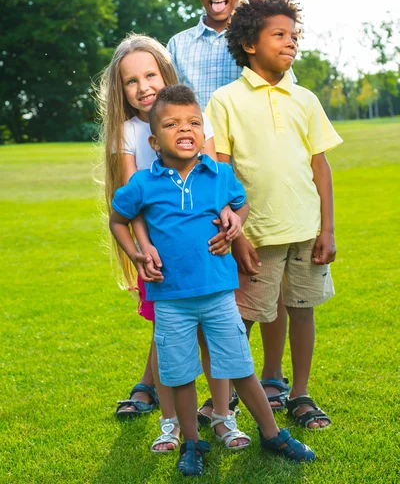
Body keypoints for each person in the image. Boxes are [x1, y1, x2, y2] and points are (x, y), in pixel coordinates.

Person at [109, 85, 316, 476]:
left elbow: (241, 205)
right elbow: (118, 218)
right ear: (154, 140)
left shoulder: (219, 174)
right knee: (180, 374)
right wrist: (137, 252)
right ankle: (192, 442)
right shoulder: (142, 184)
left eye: (193, 123)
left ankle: (272, 434)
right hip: (170, 298)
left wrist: (237, 222)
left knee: (240, 367)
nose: (185, 129)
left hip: (219, 295)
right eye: (172, 124)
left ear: (203, 133)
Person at [98, 33, 249, 452]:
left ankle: (222, 415)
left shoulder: (195, 117)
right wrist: (142, 250)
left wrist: (230, 223)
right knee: (170, 340)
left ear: (166, 74)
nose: (143, 86)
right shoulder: (128, 132)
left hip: (205, 250)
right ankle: (173, 423)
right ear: (121, 91)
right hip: (161, 255)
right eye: (131, 81)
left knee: (212, 340)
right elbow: (132, 203)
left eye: (150, 74)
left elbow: (217, 180)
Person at [205, 0, 343, 430]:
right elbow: (221, 173)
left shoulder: (304, 99)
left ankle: (299, 394)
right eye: (279, 35)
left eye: (294, 35)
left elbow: (321, 168)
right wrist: (238, 235)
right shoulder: (225, 101)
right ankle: (223, 402)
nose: (291, 43)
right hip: (255, 235)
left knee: (303, 309)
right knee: (242, 319)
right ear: (250, 43)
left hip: (305, 230)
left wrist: (328, 229)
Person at [168, 0, 292, 412]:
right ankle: (228, 391)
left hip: (260, 179)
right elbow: (173, 110)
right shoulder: (179, 45)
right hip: (204, 183)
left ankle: (273, 377)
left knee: (268, 275)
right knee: (222, 290)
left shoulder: (262, 39)